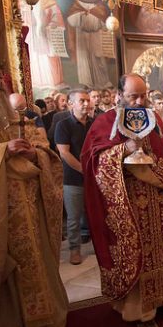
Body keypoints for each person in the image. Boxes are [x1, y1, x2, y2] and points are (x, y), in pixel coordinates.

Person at [81, 73, 163, 322]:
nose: (140, 101)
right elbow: (93, 160)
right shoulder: (106, 122)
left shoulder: (154, 119)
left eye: (143, 95)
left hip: (159, 198)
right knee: (137, 251)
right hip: (128, 201)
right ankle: (139, 306)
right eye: (133, 96)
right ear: (119, 95)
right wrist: (123, 149)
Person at [0, 90, 68, 327]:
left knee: (37, 260)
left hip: (31, 210)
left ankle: (43, 323)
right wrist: (4, 151)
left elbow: (47, 155)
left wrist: (33, 155)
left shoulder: (24, 124)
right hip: (3, 215)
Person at [55, 89, 93, 265]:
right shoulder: (63, 125)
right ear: (71, 103)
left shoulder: (94, 123)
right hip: (73, 178)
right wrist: (84, 170)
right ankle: (74, 249)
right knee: (74, 217)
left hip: (94, 177)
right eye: (81, 101)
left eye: (87, 100)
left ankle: (99, 246)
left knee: (95, 213)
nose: (86, 103)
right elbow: (64, 153)